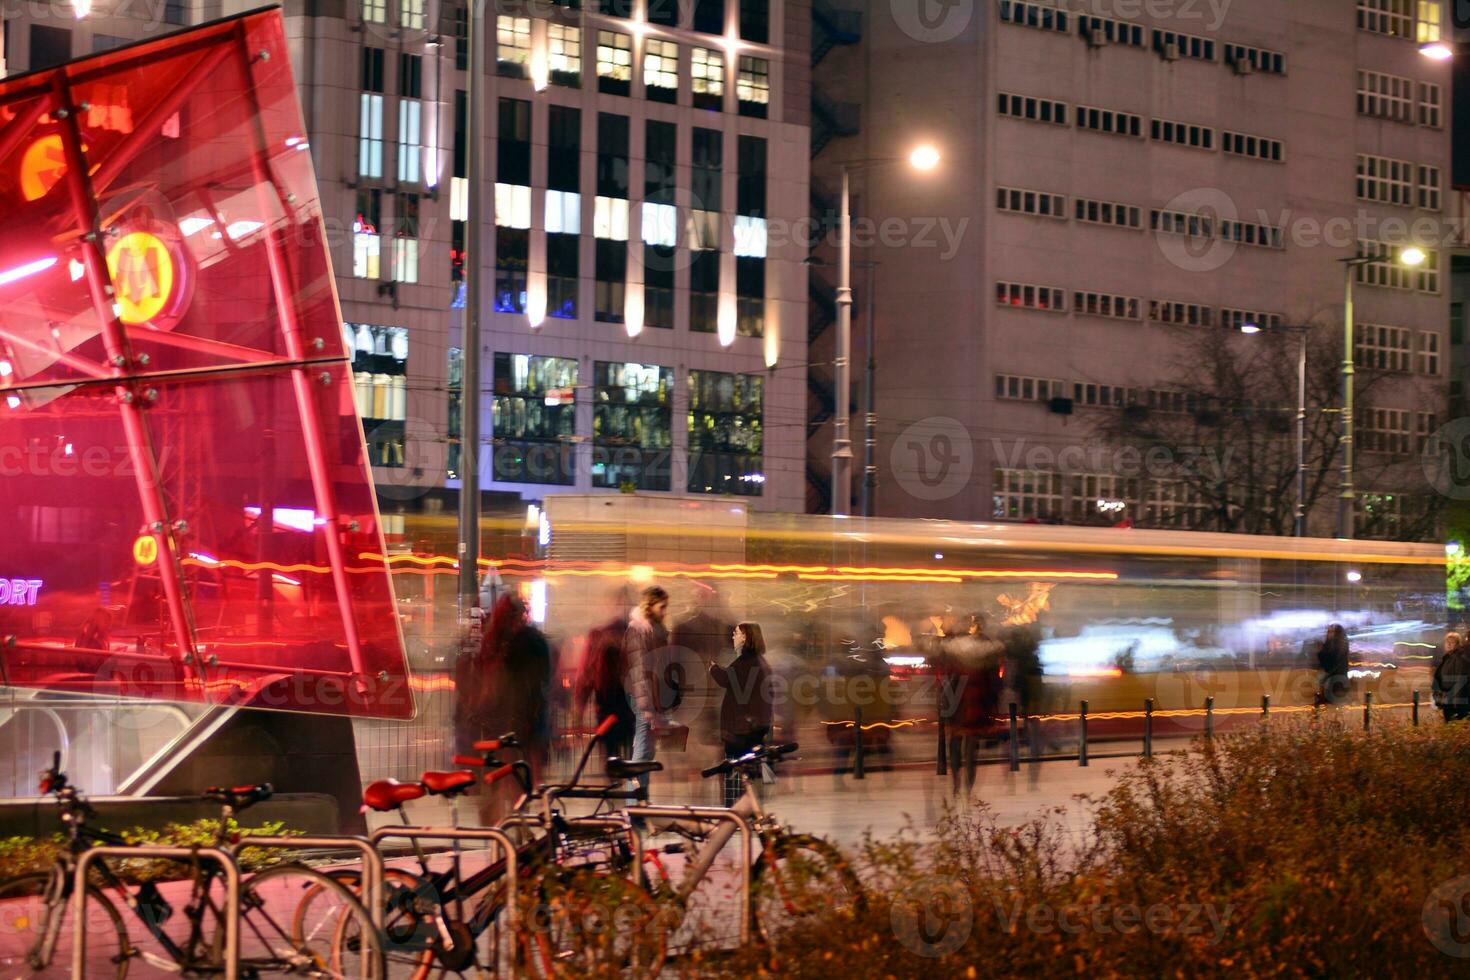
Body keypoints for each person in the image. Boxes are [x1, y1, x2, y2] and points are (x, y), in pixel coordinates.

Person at [454, 593, 554, 788]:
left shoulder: (493, 642)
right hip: (524, 715)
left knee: (502, 766)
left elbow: (477, 676)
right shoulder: (531, 640)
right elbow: (543, 675)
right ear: (522, 614)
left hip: (499, 717)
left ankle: (501, 803)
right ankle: (520, 803)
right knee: (522, 765)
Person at [936, 615, 1004, 798]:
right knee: (972, 749)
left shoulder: (953, 648)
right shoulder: (988, 649)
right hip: (978, 703)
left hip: (958, 703)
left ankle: (957, 785)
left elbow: (946, 677)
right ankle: (967, 788)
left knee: (956, 745)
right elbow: (995, 682)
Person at [710, 623, 774, 806]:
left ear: (745, 637)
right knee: (748, 771)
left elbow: (727, 679)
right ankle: (749, 809)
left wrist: (713, 668)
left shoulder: (746, 662)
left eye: (736, 633)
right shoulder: (759, 661)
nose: (733, 636)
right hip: (752, 727)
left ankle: (736, 814)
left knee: (735, 771)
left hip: (741, 729)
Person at [575, 588, 635, 759]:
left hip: (608, 705)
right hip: (628, 708)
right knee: (634, 761)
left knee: (611, 757)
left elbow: (586, 675)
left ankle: (616, 782)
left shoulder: (599, 635)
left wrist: (580, 709)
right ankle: (633, 784)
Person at [623, 586, 671, 791]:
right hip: (646, 698)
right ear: (650, 605)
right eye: (662, 606)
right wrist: (647, 707)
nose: (665, 611)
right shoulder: (640, 630)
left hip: (654, 697)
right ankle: (635, 804)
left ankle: (640, 802)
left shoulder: (654, 629)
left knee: (647, 753)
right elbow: (639, 670)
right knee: (642, 752)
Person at [1433, 631, 1470, 722]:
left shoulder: (1459, 658)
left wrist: (1455, 701)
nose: (1449, 644)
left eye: (1452, 642)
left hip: (1455, 704)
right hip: (1448, 701)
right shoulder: (1447, 658)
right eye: (1447, 642)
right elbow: (1439, 679)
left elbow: (1460, 680)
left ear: (1457, 644)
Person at [1317, 623, 1351, 707]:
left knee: (1334, 706)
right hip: (1335, 682)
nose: (1329, 634)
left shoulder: (1338, 645)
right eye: (1328, 631)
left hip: (1336, 682)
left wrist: (1321, 652)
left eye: (1331, 631)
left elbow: (1331, 663)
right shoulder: (1331, 645)